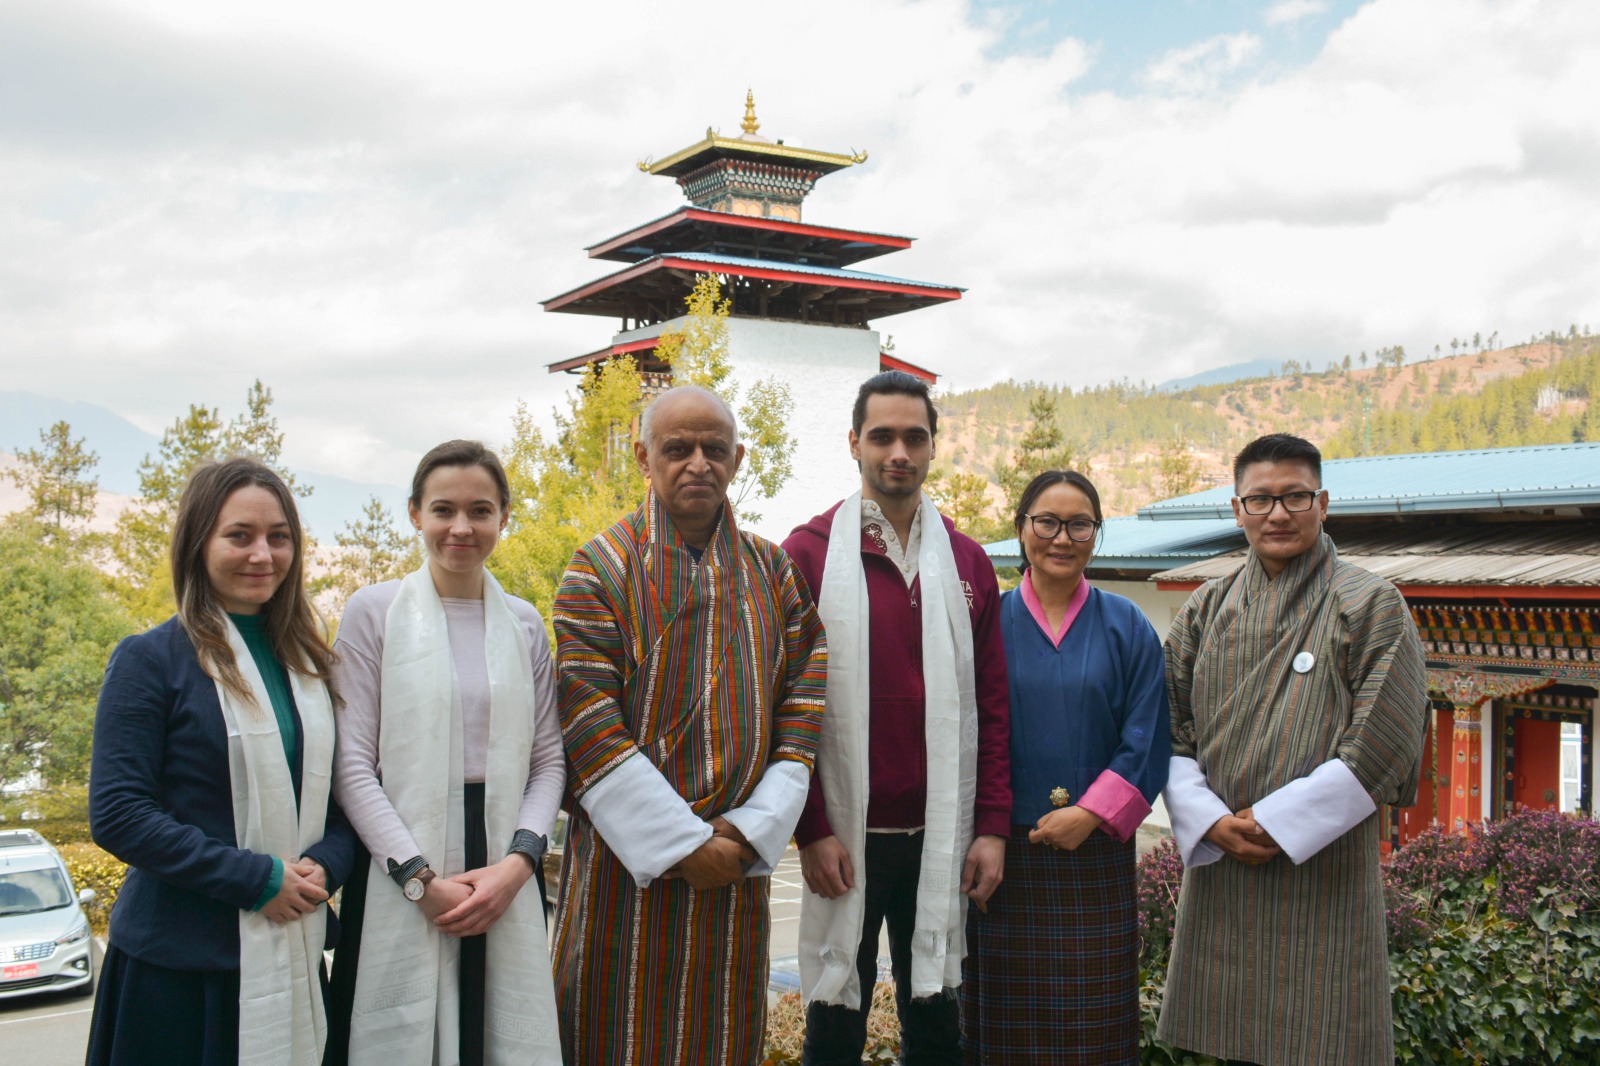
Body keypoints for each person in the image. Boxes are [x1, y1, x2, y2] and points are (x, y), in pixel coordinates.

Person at [551, 385, 828, 1066]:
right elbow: (586, 722)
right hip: (625, 876)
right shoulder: (598, 569)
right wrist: (681, 844)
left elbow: (806, 702)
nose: (698, 462)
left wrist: (750, 830)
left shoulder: (773, 571)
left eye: (714, 448)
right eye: (678, 449)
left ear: (740, 457)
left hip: (735, 873)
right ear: (645, 457)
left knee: (721, 1038)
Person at [1157, 433, 1429, 1066]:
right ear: (1237, 510)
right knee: (1227, 1035)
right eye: (1260, 500)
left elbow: (1384, 739)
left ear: (1323, 503)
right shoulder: (1206, 607)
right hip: (1224, 858)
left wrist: (1283, 823)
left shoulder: (1370, 604)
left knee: (1326, 1034)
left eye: (1294, 497)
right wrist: (1209, 820)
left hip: (1324, 864)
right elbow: (1167, 725)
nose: (1277, 514)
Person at [87, 457, 358, 1066]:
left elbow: (345, 802)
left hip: (293, 950)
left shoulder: (313, 667)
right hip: (179, 973)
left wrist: (322, 868)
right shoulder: (150, 659)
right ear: (199, 542)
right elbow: (118, 812)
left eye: (278, 537)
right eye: (240, 535)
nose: (262, 553)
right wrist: (256, 879)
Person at [784, 370, 1010, 1066]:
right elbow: (782, 706)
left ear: (934, 446)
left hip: (940, 838)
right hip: (846, 842)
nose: (899, 452)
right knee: (834, 1019)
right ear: (854, 443)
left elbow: (994, 709)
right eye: (882, 436)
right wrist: (812, 827)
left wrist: (992, 829)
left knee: (939, 1023)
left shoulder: (968, 560)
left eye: (915, 436)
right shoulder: (809, 553)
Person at [327, 440, 563, 1066]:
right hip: (398, 856)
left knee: (492, 1038)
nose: (461, 527)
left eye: (480, 510)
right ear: (414, 513)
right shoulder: (372, 613)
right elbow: (351, 764)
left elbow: (549, 760)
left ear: (503, 517)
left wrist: (519, 867)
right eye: (443, 510)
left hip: (502, 861)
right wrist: (416, 878)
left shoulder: (524, 623)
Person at [960, 470, 1170, 1064]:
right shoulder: (986, 623)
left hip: (1095, 854)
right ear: (1022, 529)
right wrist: (986, 828)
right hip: (1002, 854)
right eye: (1046, 521)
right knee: (1004, 1030)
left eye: (1079, 524)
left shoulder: (1126, 623)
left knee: (1093, 1031)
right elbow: (962, 734)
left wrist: (1091, 813)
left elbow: (1147, 735)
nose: (1062, 536)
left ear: (1096, 534)